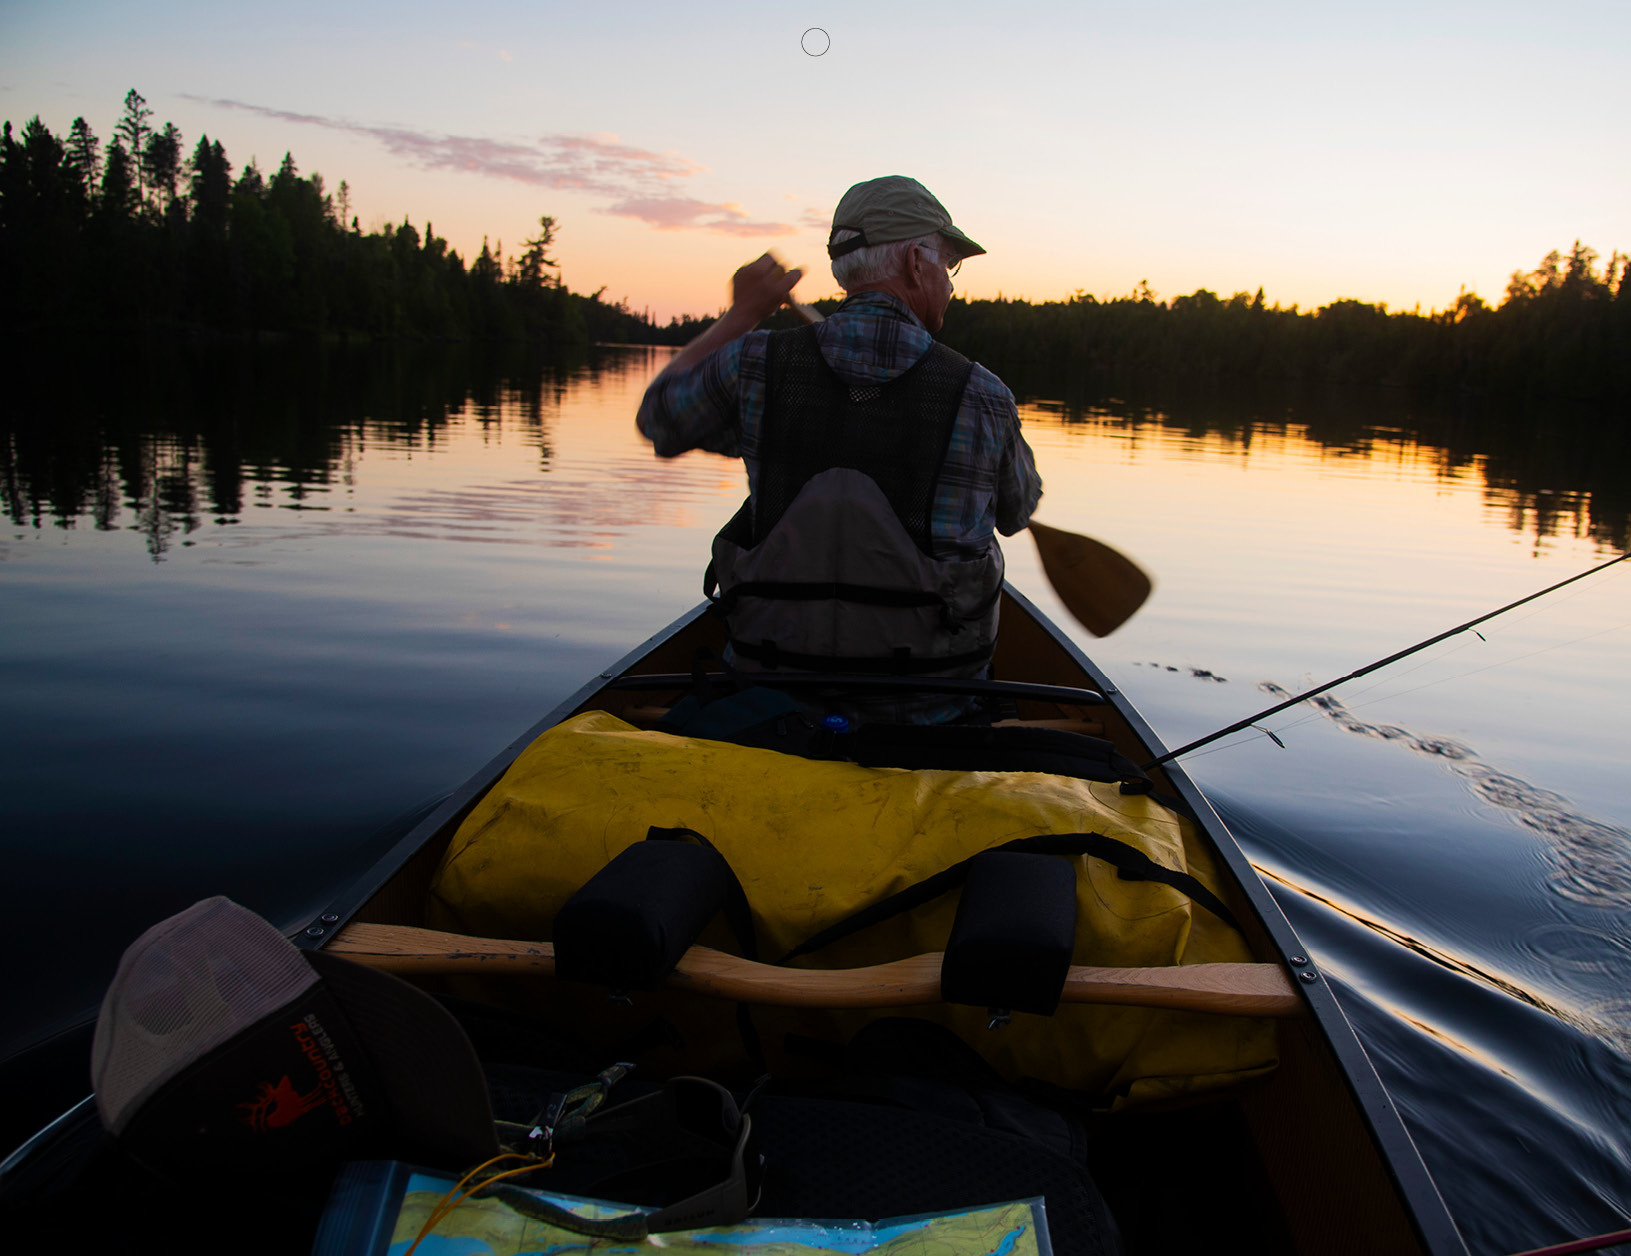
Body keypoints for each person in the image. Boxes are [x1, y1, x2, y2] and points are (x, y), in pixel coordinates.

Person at [636, 175, 1042, 723]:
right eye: (949, 266)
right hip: (929, 709)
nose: (950, 285)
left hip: (768, 691)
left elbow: (660, 419)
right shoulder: (984, 395)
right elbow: (1018, 512)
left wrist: (742, 315)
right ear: (917, 265)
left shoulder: (757, 363)